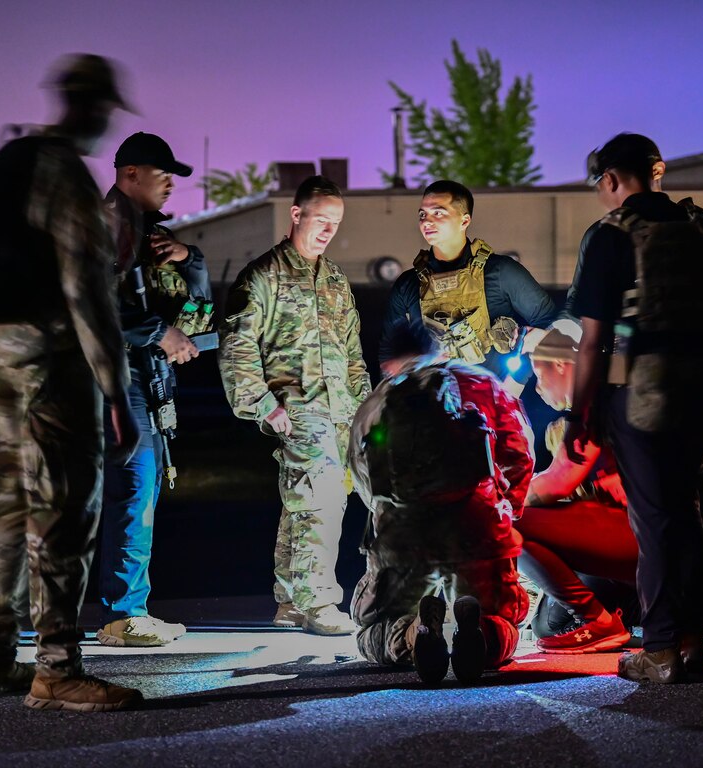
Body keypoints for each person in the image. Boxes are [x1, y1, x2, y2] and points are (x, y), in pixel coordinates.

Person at [0, 54, 143, 710]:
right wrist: (115, 388)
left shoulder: (8, 164)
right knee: (64, 503)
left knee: (7, 500)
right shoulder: (64, 175)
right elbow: (87, 288)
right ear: (96, 107)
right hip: (50, 360)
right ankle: (57, 667)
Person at [566, 133, 703, 684]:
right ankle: (692, 645)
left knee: (654, 520)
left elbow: (592, 341)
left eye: (601, 183)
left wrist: (578, 411)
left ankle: (659, 647)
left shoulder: (609, 236)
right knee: (687, 514)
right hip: (700, 389)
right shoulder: (701, 230)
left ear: (612, 178)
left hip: (639, 393)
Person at [219, 176, 370, 635]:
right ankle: (319, 603)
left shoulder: (335, 279)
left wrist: (364, 407)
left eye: (336, 223)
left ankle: (290, 602)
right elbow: (237, 347)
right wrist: (264, 406)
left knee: (303, 504)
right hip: (298, 411)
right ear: (296, 214)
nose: (327, 230)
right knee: (318, 503)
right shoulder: (263, 276)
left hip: (340, 412)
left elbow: (352, 353)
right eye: (320, 219)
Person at [350, 322, 534, 685]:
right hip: (477, 526)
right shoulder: (482, 383)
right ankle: (482, 630)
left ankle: (413, 632)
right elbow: (520, 452)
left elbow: (364, 477)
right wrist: (503, 509)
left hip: (405, 535)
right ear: (442, 351)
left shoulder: (378, 399)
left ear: (389, 365)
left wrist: (391, 517)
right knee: (509, 620)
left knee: (370, 631)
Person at [95, 132, 210, 647]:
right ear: (129, 174)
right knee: (130, 491)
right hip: (110, 379)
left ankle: (127, 610)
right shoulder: (104, 230)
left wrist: (191, 260)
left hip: (144, 380)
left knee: (137, 492)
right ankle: (123, 614)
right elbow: (90, 306)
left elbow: (199, 312)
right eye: (161, 174)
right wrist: (158, 332)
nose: (170, 185)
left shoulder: (151, 239)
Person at [515, 326, 636, 654]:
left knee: (512, 522)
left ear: (560, 365)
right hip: (663, 541)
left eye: (539, 375)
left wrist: (500, 500)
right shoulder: (616, 390)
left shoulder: (594, 398)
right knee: (546, 622)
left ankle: (600, 622)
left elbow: (560, 480)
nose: (538, 388)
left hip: (642, 540)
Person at [378, 180, 557, 390]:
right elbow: (390, 355)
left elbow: (550, 325)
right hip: (432, 407)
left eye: (438, 213)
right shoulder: (407, 285)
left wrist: (516, 381)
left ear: (464, 221)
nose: (427, 221)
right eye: (422, 214)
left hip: (496, 403)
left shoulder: (501, 272)